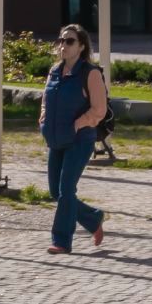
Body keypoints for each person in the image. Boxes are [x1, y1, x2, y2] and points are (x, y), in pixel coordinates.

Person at [41, 23, 109, 255]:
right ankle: (93, 218)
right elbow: (45, 101)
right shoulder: (54, 72)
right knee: (55, 191)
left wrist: (79, 124)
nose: (63, 45)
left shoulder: (90, 73)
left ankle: (61, 240)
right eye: (61, 40)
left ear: (81, 47)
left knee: (66, 189)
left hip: (80, 140)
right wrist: (42, 121)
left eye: (69, 41)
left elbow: (99, 109)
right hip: (56, 139)